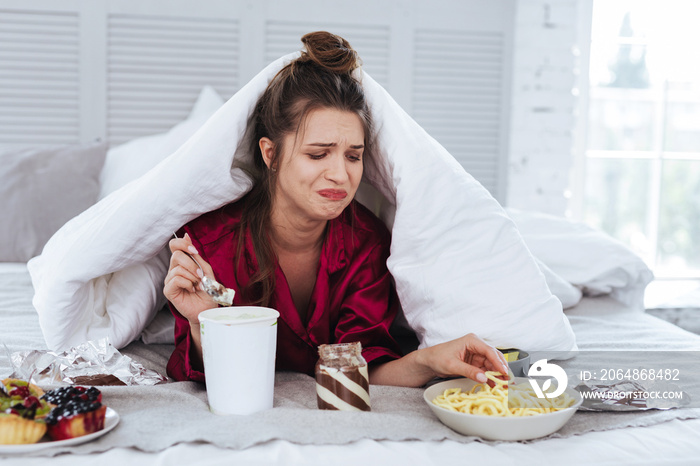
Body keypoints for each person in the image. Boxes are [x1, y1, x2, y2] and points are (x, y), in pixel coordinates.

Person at [164, 31, 509, 387]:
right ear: (271, 154)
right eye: (317, 154)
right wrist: (201, 321)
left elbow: (362, 369)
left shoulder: (368, 244)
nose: (340, 175)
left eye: (353, 156)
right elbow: (202, 375)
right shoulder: (209, 246)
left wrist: (429, 359)